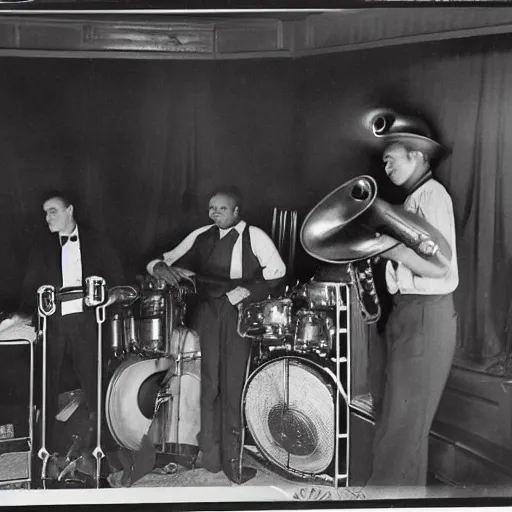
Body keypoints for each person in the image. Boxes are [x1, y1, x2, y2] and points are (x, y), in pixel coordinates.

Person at [146, 186, 286, 484]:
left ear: (237, 211)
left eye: (221, 208)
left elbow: (277, 271)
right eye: (211, 208)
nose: (214, 213)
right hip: (209, 313)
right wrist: (158, 266)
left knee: (232, 385)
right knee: (209, 385)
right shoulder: (201, 234)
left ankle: (233, 465)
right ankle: (210, 459)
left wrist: (249, 291)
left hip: (238, 314)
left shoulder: (255, 236)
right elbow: (162, 258)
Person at [367, 131, 459, 487]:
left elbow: (440, 267)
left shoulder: (432, 195)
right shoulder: (412, 201)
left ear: (418, 157)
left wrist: (388, 248)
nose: (386, 166)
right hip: (409, 312)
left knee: (402, 428)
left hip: (425, 313)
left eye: (392, 159)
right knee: (400, 424)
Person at [21, 191, 125, 476]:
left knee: (94, 384)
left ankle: (103, 450)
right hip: (53, 323)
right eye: (45, 213)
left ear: (69, 210)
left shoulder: (97, 240)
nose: (47, 218)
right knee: (47, 385)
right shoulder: (41, 247)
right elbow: (30, 287)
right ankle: (46, 453)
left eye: (53, 211)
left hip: (87, 322)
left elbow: (117, 279)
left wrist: (108, 297)